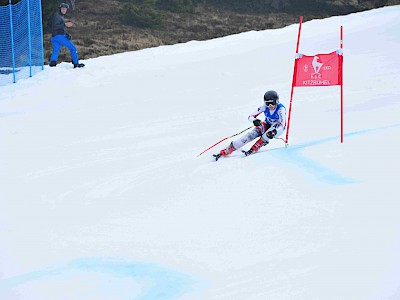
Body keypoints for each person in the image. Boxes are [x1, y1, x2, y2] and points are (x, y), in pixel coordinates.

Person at [213, 90, 286, 161]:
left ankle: (258, 144)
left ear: (277, 101)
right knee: (252, 134)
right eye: (267, 103)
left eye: (272, 103)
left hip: (278, 127)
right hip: (267, 123)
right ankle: (230, 148)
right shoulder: (264, 107)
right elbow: (250, 116)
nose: (270, 106)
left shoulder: (281, 109)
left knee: (267, 135)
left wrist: (275, 132)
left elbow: (282, 125)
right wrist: (255, 120)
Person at [49, 3, 84, 68]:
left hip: (54, 37)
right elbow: (55, 26)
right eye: (63, 9)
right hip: (59, 36)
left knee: (55, 51)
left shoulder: (59, 15)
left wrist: (66, 34)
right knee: (73, 48)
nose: (64, 10)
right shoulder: (57, 16)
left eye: (65, 9)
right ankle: (76, 64)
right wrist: (65, 25)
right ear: (60, 9)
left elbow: (59, 27)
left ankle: (52, 65)